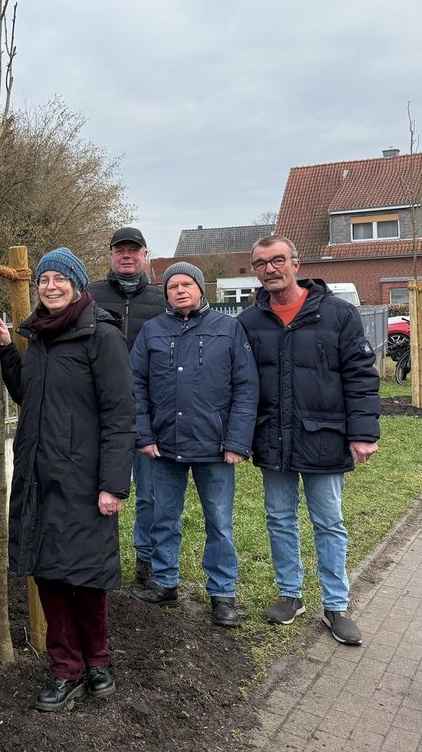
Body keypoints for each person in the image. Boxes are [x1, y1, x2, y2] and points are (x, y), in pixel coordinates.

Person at [0, 246, 134, 711]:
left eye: (59, 279)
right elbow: (29, 395)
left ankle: (98, 662)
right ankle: (65, 668)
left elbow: (120, 415)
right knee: (49, 573)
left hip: (85, 478)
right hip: (39, 475)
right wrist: (6, 351)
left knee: (87, 574)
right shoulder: (38, 336)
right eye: (44, 280)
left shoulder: (101, 336)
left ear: (77, 285)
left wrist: (113, 484)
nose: (50, 287)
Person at [237, 234, 380, 646]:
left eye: (277, 260)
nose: (270, 269)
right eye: (261, 263)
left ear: (296, 264)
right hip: (273, 437)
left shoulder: (337, 314)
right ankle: (290, 594)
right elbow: (240, 383)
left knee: (329, 522)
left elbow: (360, 375)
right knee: (279, 518)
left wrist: (363, 433)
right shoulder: (248, 322)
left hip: (325, 437)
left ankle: (336, 605)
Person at [130, 262, 259, 628]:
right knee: (163, 517)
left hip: (214, 447)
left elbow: (246, 387)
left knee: (219, 522)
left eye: (187, 284)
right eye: (173, 286)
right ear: (166, 293)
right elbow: (135, 386)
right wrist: (144, 435)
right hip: (164, 446)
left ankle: (222, 593)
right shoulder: (152, 331)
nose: (180, 290)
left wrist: (237, 441)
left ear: (202, 289)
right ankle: (165, 582)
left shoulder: (228, 329)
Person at [86, 226, 166, 587]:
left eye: (134, 250)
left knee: (150, 494)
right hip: (100, 411)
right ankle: (99, 559)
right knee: (99, 489)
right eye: (120, 250)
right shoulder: (90, 295)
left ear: (145, 255)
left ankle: (146, 560)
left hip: (149, 412)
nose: (127, 255)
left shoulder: (161, 299)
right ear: (111, 255)